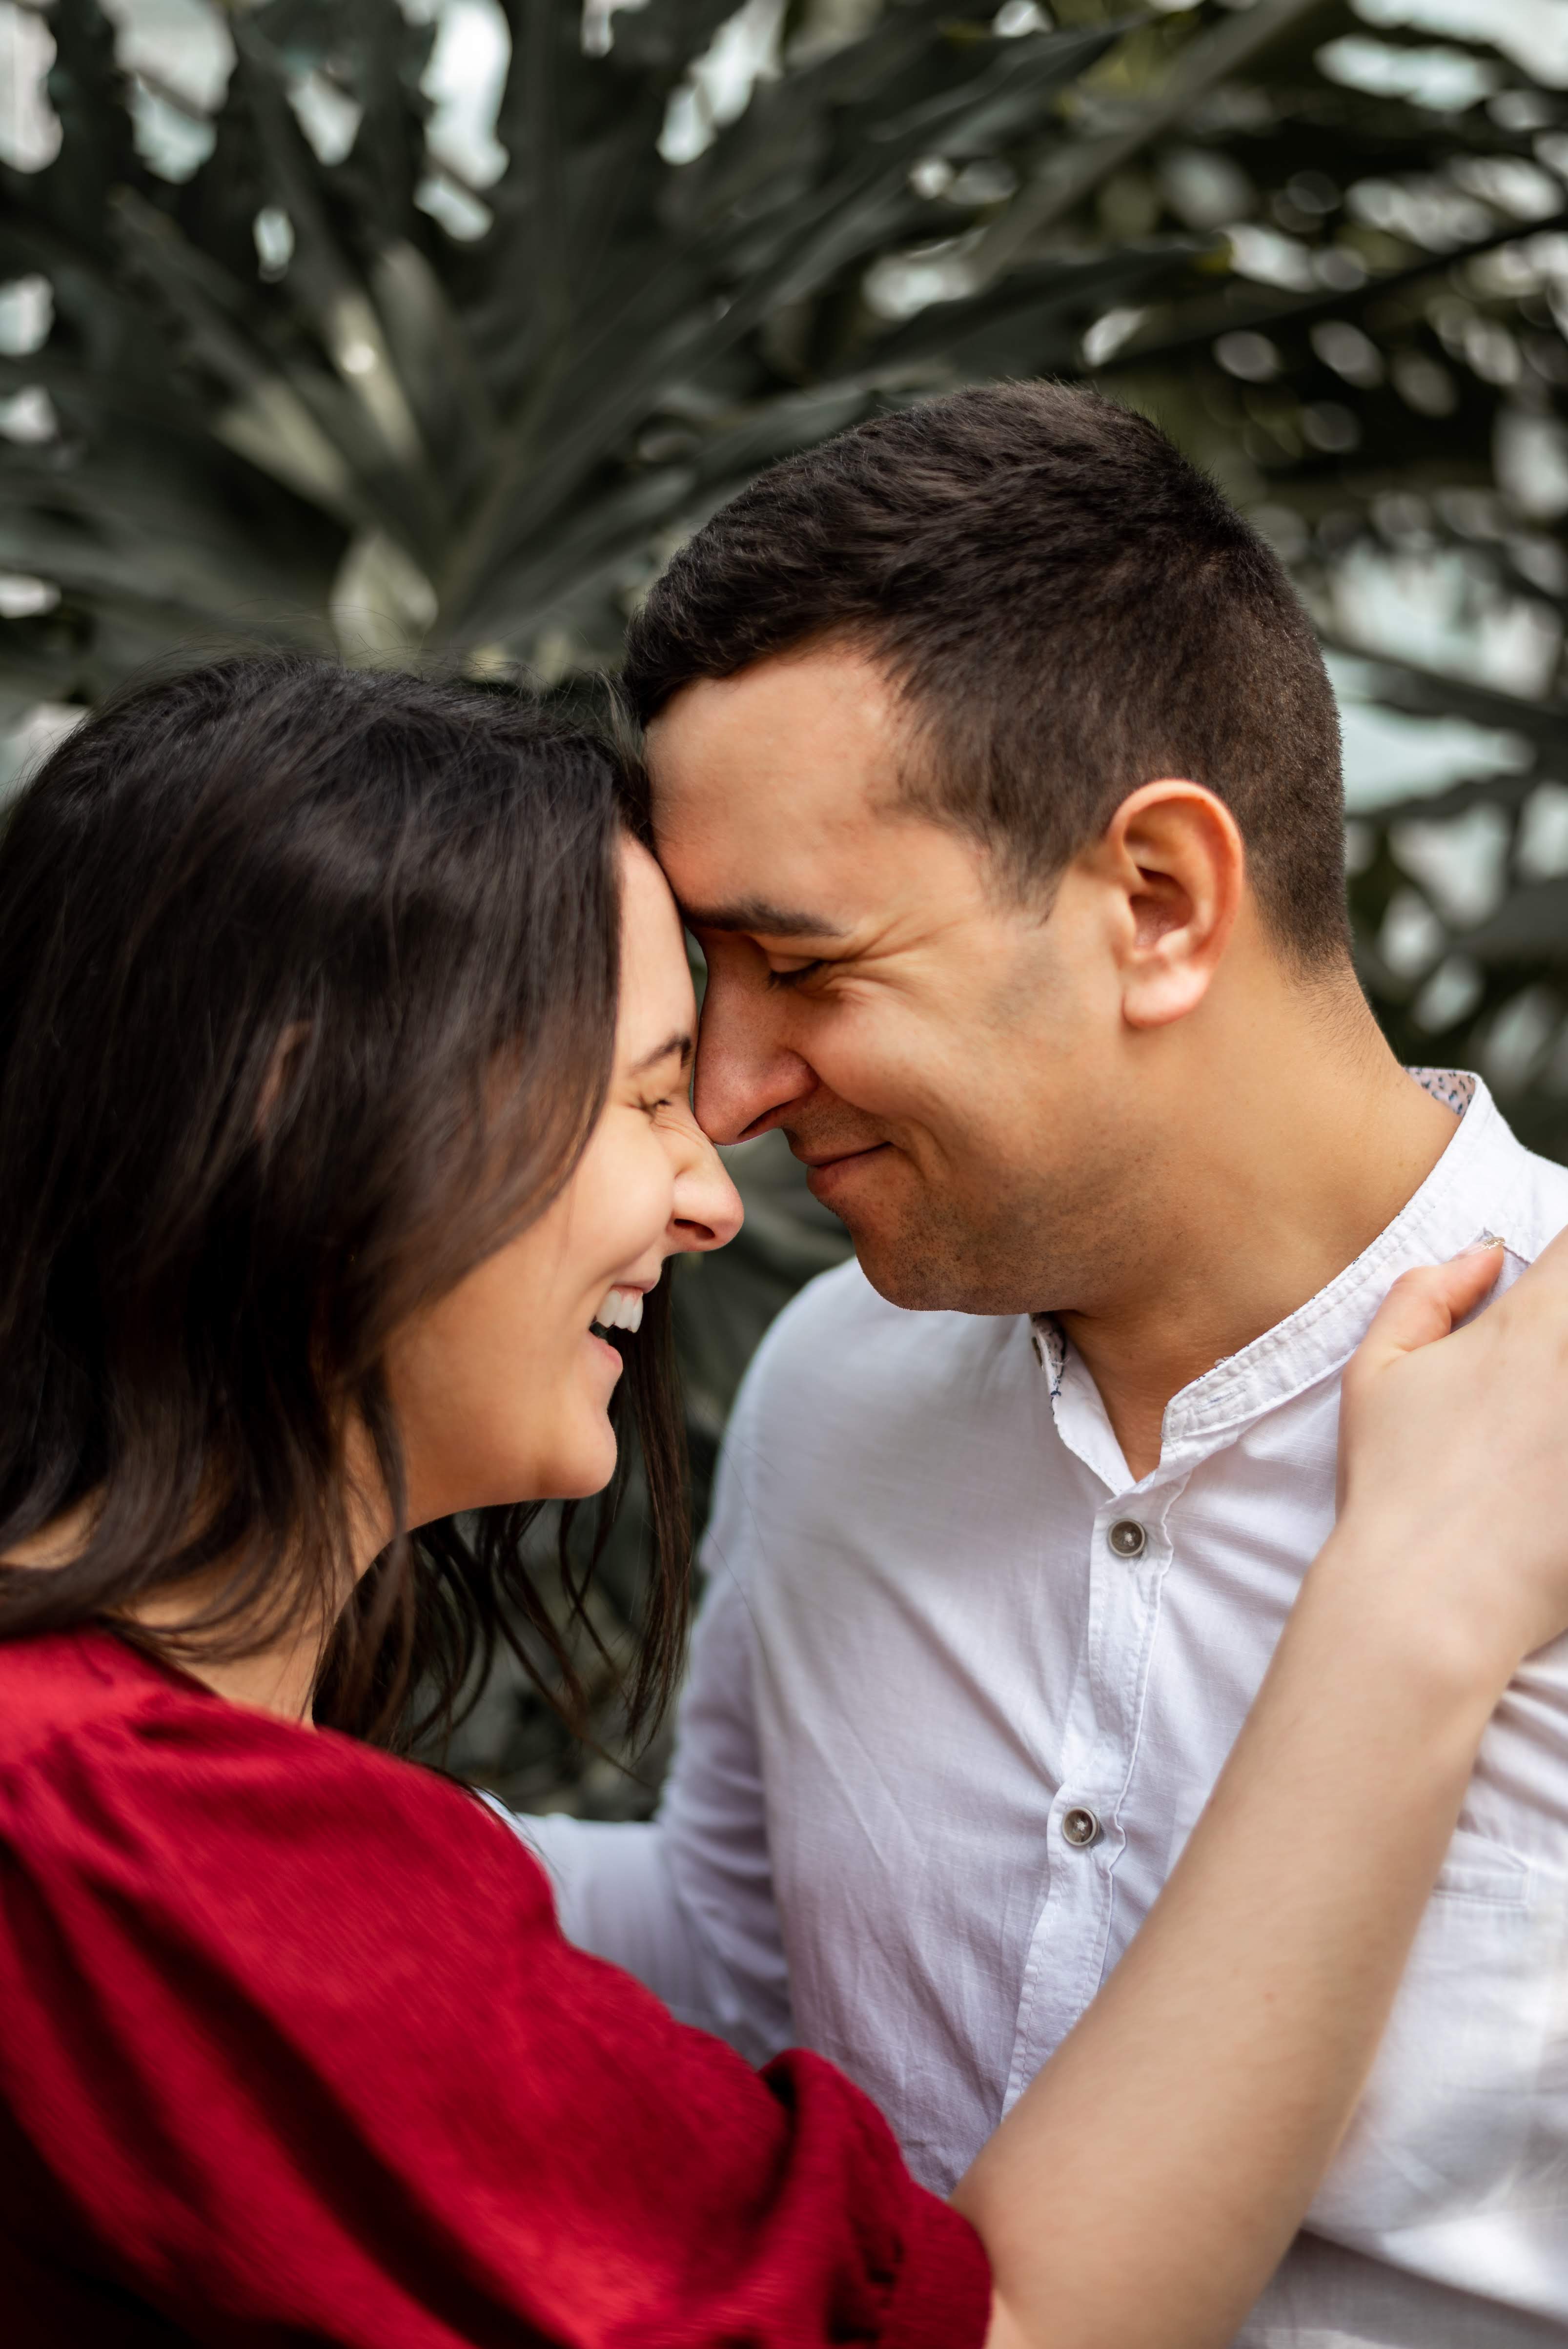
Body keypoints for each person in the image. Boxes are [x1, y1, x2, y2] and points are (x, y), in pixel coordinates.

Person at [0, 658, 1565, 2349]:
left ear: (1160, 901)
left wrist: (423, 1881)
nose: (721, 1161)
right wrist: (1412, 1608)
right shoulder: (137, 1833)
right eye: (651, 1086)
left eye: (807, 966)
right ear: (307, 1115)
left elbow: (706, 1964)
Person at [517, 383, 1568, 2348]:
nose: (725, 1094)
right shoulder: (834, 1384)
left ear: (1158, 903)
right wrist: (186, 1820)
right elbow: (741, 1962)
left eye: (806, 965)